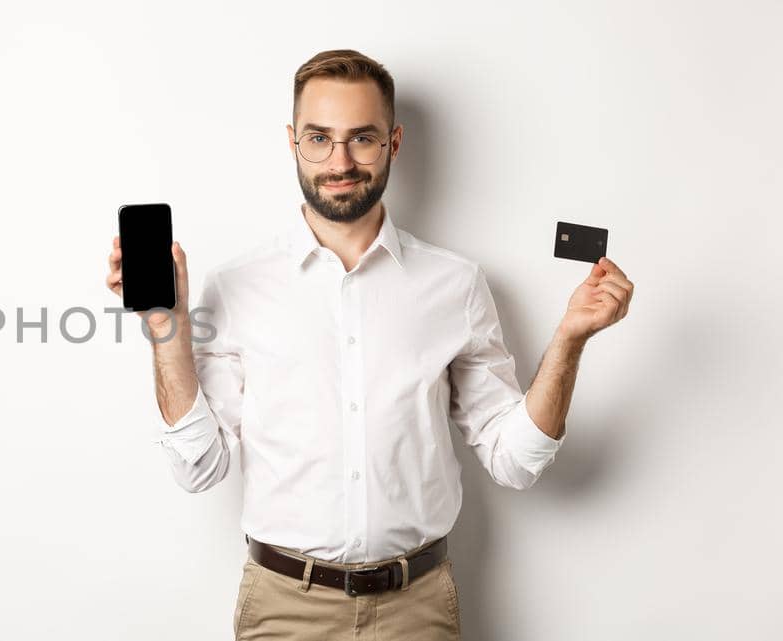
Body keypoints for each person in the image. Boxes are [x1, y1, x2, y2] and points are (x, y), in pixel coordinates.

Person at [103, 49, 635, 640]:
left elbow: (514, 462)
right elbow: (200, 468)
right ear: (292, 142)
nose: (340, 160)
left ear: (394, 143)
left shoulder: (455, 285)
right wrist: (167, 332)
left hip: (419, 609)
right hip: (284, 610)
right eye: (318, 138)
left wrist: (569, 341)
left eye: (362, 137)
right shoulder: (238, 286)